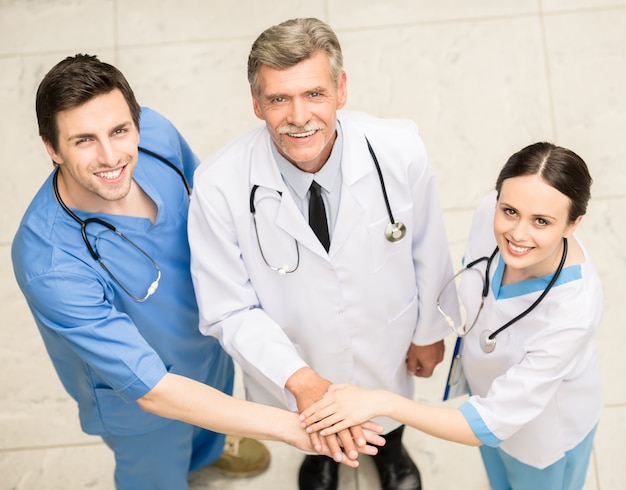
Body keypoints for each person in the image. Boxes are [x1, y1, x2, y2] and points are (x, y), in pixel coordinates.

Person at [11, 54, 383, 490]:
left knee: (210, 425)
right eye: (83, 141)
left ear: (136, 123)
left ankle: (209, 451)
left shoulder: (158, 138)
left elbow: (214, 208)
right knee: (157, 475)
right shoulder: (49, 262)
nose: (111, 156)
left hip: (209, 345)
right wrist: (289, 427)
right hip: (142, 405)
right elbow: (153, 390)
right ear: (52, 147)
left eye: (119, 130)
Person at [187, 17, 459, 490]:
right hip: (291, 353)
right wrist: (298, 377)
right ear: (256, 103)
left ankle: (391, 450)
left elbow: (428, 247)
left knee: (386, 404)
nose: (298, 116)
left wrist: (429, 330)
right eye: (278, 99)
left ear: (341, 89)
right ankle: (322, 459)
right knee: (310, 427)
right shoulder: (218, 187)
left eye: (314, 93)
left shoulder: (399, 152)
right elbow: (229, 309)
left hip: (384, 339)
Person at [300, 142, 604, 490]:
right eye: (509, 211)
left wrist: (382, 401)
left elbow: (487, 424)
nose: (517, 234)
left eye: (541, 221)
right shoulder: (486, 212)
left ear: (573, 224)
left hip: (543, 433)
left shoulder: (572, 312)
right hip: (484, 392)